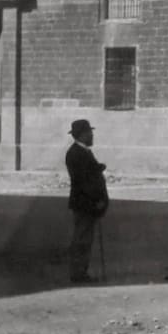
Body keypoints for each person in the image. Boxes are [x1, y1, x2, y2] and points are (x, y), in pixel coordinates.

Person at [65, 119, 109, 284]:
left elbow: (88, 172)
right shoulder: (77, 153)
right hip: (84, 203)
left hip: (84, 202)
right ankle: (78, 274)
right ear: (82, 135)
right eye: (89, 132)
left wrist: (98, 168)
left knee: (84, 238)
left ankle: (80, 272)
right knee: (82, 239)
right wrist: (96, 200)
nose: (92, 135)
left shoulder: (82, 151)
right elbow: (83, 181)